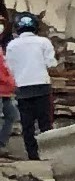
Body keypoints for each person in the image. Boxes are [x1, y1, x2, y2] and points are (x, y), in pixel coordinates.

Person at [2, 16, 50, 161]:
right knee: (45, 122)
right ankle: (48, 153)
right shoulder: (44, 42)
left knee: (27, 124)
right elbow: (51, 63)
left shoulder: (11, 45)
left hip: (22, 88)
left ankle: (33, 156)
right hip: (42, 86)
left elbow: (9, 66)